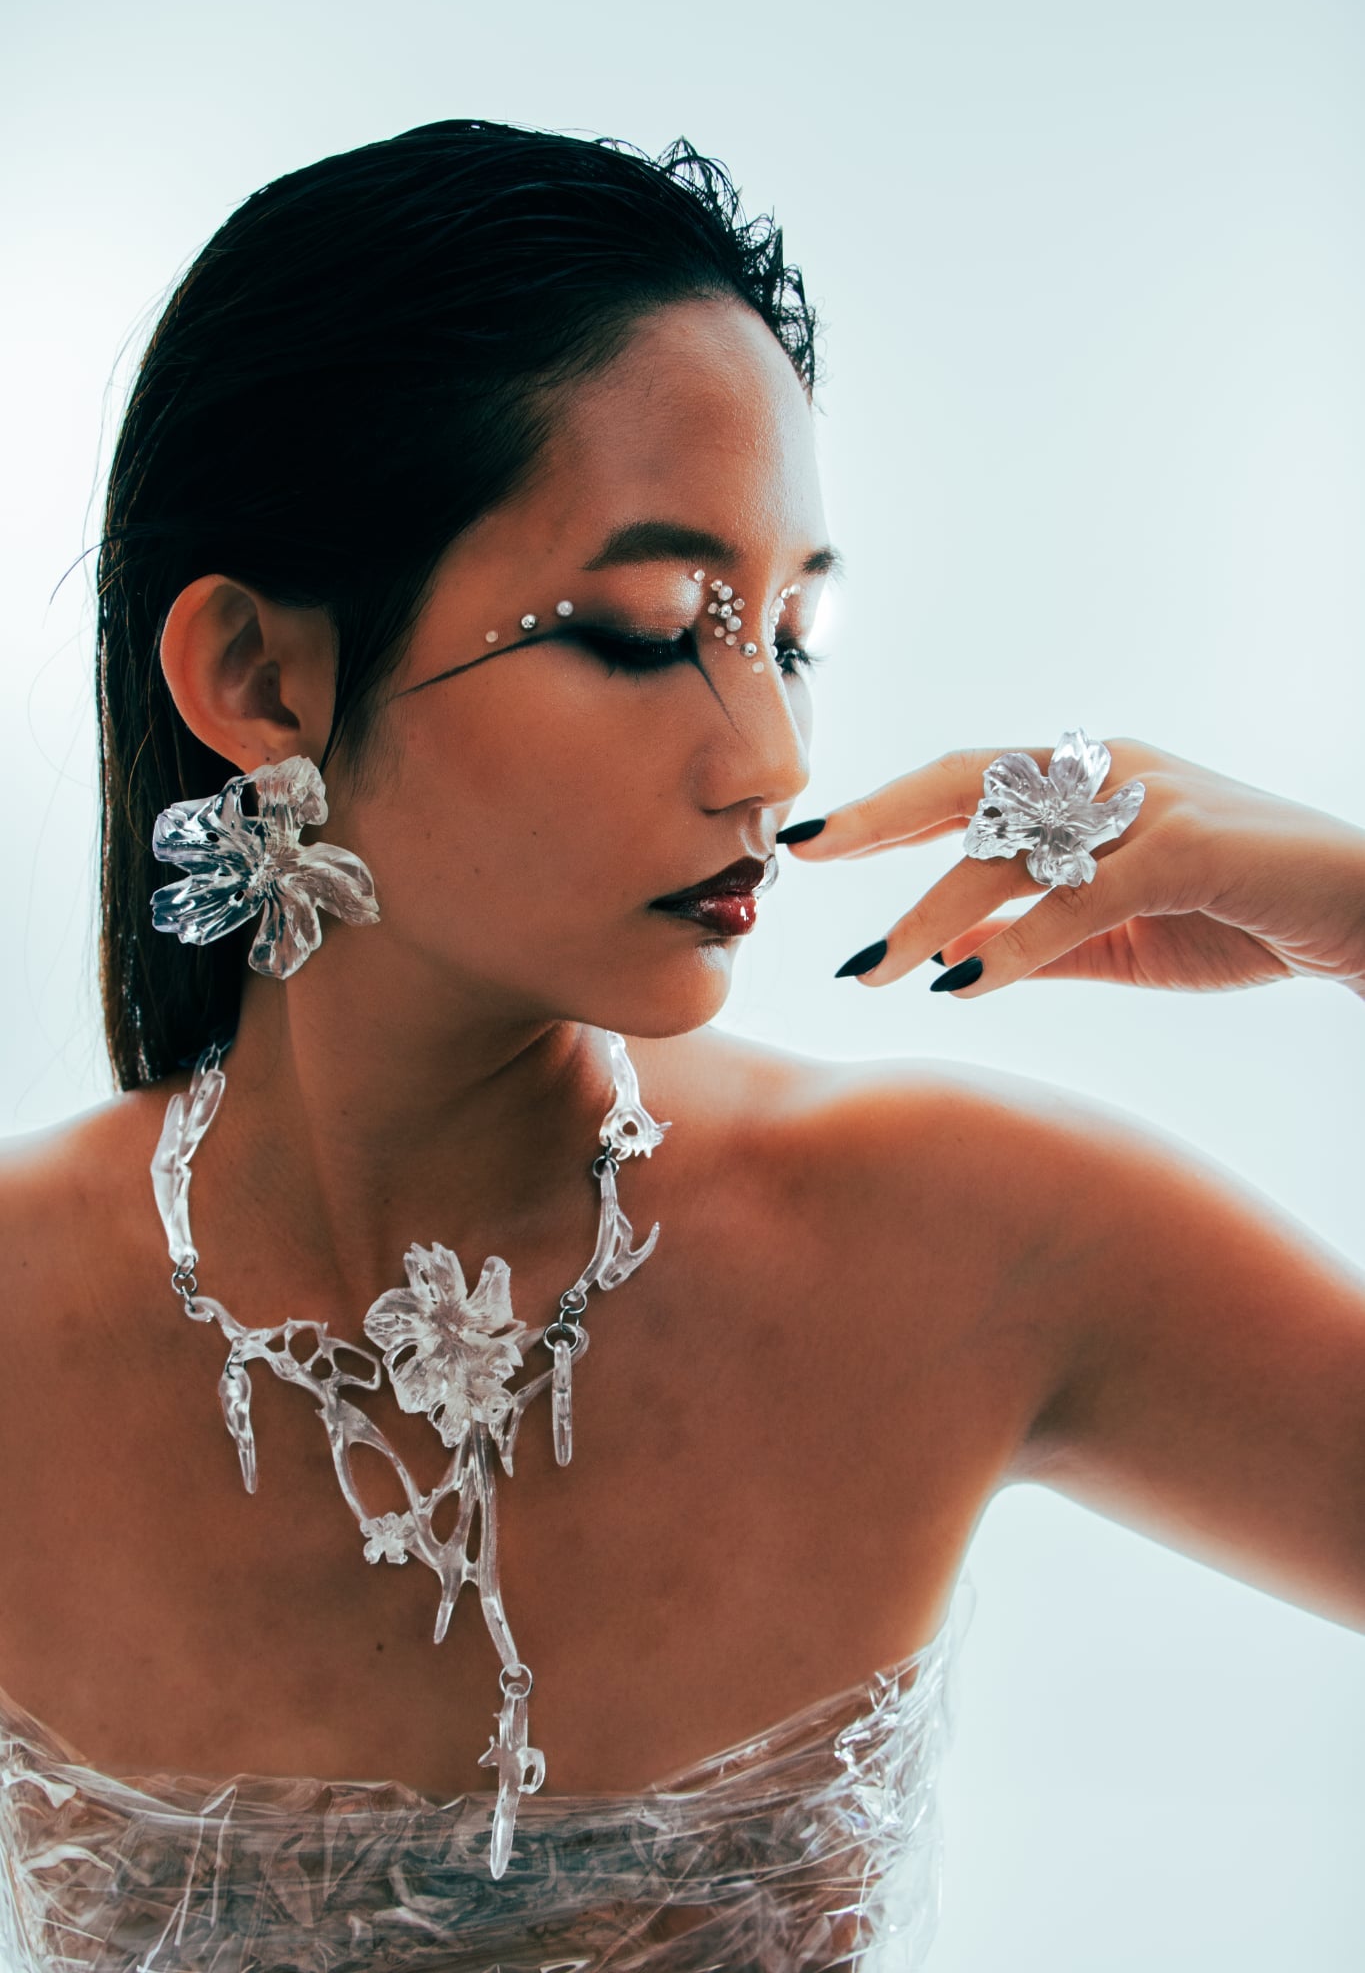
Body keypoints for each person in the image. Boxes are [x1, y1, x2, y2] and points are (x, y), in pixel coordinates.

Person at [0, 118, 1360, 1972]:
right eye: (652, 632)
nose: (772, 762)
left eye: (790, 631)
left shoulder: (967, 1248)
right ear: (257, 676)